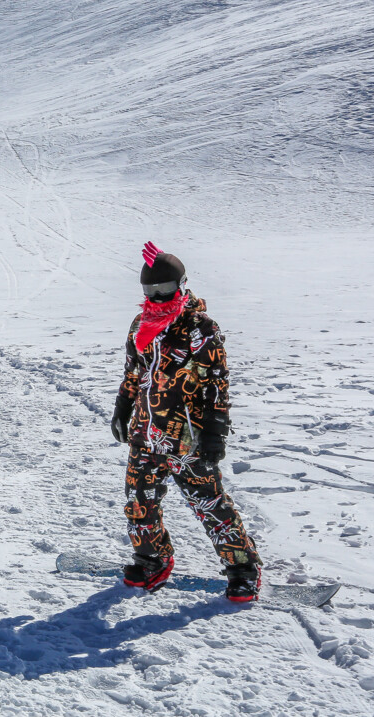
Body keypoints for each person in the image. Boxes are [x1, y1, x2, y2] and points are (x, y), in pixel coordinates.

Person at [111, 242, 262, 602]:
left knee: (208, 503)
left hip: (186, 436)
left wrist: (215, 431)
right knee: (138, 500)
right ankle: (152, 559)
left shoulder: (200, 327)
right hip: (146, 433)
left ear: (180, 284)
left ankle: (243, 568)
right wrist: (123, 405)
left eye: (164, 289)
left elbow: (216, 384)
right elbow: (135, 371)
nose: (158, 297)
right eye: (150, 291)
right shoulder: (141, 324)